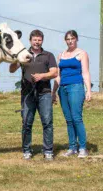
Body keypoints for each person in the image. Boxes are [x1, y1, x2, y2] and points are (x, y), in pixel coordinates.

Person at [10, 29, 58, 161]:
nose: (37, 42)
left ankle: (48, 151)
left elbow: (54, 73)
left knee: (47, 122)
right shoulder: (25, 55)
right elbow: (12, 70)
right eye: (35, 40)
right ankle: (27, 150)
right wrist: (17, 59)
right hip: (27, 94)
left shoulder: (48, 55)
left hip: (44, 94)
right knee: (26, 123)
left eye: (39, 40)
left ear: (42, 41)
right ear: (30, 40)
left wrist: (42, 76)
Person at [52, 30, 91, 158]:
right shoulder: (61, 55)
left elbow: (85, 73)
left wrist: (88, 90)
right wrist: (54, 91)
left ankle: (83, 148)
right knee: (68, 120)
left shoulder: (82, 53)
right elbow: (58, 75)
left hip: (76, 87)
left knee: (76, 118)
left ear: (76, 39)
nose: (70, 41)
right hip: (62, 89)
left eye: (72, 38)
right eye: (68, 39)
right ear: (65, 40)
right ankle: (72, 147)